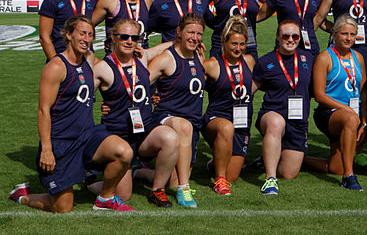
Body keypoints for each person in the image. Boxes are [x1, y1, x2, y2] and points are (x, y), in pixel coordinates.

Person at [9, 15, 134, 212]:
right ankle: (22, 196)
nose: (87, 38)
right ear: (68, 35)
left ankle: (105, 198)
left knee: (124, 152)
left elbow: (112, 73)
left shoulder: (89, 59)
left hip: (87, 136)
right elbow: (43, 111)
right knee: (62, 207)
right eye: (82, 33)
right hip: (62, 142)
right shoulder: (56, 67)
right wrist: (47, 149)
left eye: (91, 34)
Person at [94, 19, 179, 207]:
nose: (129, 41)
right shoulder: (102, 67)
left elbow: (171, 45)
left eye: (134, 38)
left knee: (170, 138)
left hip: (144, 128)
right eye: (124, 37)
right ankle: (92, 184)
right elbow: (82, 97)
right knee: (124, 195)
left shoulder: (141, 58)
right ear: (113, 39)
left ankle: (157, 191)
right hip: (119, 133)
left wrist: (187, 39)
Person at [147, 12, 208, 208]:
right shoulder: (166, 58)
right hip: (167, 118)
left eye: (199, 34)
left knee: (170, 180)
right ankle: (184, 189)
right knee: (184, 127)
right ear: (179, 32)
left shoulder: (199, 55)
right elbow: (140, 84)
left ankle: (136, 171)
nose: (195, 37)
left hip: (193, 124)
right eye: (190, 32)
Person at [252, 20, 314, 195]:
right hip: (272, 115)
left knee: (288, 173)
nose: (290, 39)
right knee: (276, 123)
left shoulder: (308, 59)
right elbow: (249, 91)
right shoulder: (266, 62)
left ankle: (269, 156)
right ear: (278, 37)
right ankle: (270, 179)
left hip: (297, 121)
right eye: (285, 35)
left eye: (295, 36)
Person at [311, 16, 367, 190]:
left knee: (335, 168)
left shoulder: (358, 57)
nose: (348, 38)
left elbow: (364, 92)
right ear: (334, 34)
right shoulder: (325, 57)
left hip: (352, 117)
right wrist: (349, 111)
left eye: (352, 34)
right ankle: (349, 176)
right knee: (350, 120)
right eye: (344, 34)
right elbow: (319, 95)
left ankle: (297, 159)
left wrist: (364, 122)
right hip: (328, 113)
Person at [203, 17, 256, 195]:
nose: (238, 48)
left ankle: (214, 164)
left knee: (232, 176)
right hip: (217, 119)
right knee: (226, 127)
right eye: (234, 43)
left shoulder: (249, 61)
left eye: (242, 44)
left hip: (241, 123)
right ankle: (219, 181)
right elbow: (189, 84)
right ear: (224, 42)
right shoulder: (211, 64)